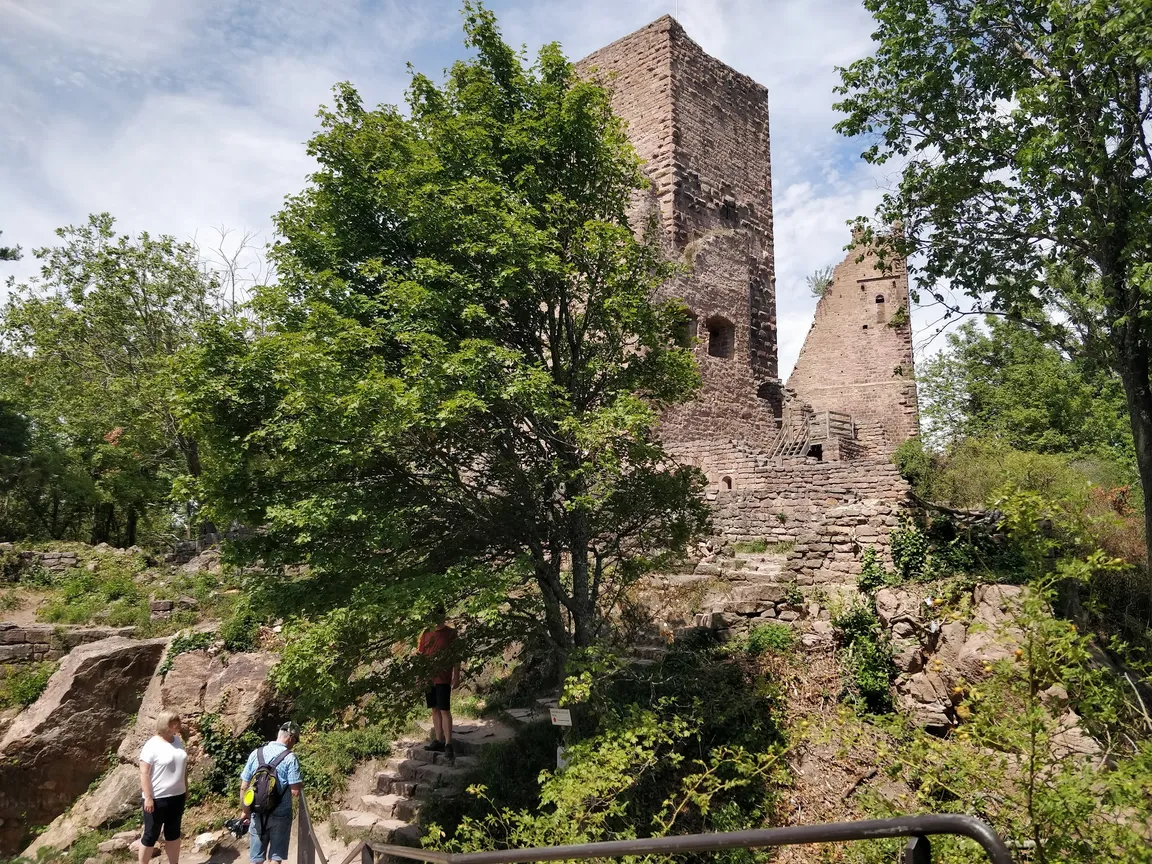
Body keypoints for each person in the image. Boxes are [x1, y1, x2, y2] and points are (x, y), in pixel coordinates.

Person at [239, 722, 303, 864]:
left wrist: (245, 810)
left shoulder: (256, 753)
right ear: (291, 738)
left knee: (256, 858)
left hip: (257, 810)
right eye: (296, 740)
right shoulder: (290, 758)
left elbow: (244, 786)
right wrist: (300, 783)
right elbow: (295, 791)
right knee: (275, 857)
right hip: (281, 813)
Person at [138, 710, 188, 864]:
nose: (178, 725)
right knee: (151, 835)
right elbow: (144, 773)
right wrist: (148, 798)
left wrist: (186, 788)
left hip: (177, 796)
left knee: (173, 833)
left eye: (178, 721)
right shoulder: (151, 745)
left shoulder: (177, 741)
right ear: (165, 724)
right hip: (157, 798)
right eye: (174, 722)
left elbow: (183, 767)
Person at [417, 604, 461, 760]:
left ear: (443, 615)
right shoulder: (426, 634)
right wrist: (420, 677)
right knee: (434, 709)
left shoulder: (451, 633)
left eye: (439, 614)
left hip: (443, 677)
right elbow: (421, 657)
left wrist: (457, 675)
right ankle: (438, 740)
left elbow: (457, 656)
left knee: (444, 710)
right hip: (429, 678)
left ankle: (449, 743)